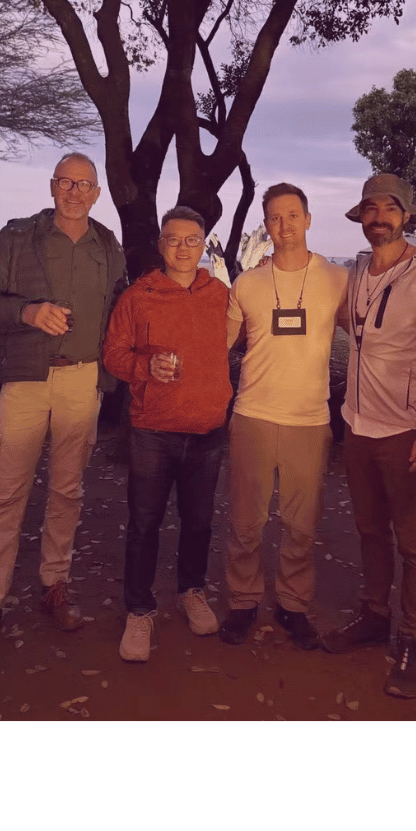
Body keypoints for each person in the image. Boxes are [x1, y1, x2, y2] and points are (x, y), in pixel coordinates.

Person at [0, 153, 126, 659]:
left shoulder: (107, 246)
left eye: (84, 184)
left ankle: (54, 585)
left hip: (82, 381)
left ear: (96, 193)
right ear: (51, 186)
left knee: (67, 491)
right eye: (65, 182)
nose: (73, 192)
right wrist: (26, 311)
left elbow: (119, 312)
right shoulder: (18, 237)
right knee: (8, 494)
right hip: (26, 379)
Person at [323, 174, 416, 698]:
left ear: (406, 216)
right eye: (369, 208)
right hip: (358, 425)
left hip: (408, 432)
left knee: (415, 544)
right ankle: (373, 615)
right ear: (360, 217)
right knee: (369, 532)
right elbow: (348, 325)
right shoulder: (356, 271)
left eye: (389, 209)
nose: (378, 217)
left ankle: (414, 640)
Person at [217, 184, 351, 649]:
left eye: (293, 215)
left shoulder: (338, 280)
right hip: (252, 414)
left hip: (310, 421)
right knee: (245, 522)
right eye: (275, 217)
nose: (285, 225)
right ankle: (243, 602)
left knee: (301, 524)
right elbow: (218, 345)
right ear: (266, 225)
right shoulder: (248, 284)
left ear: (308, 219)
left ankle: (293, 604)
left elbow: (371, 334)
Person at [101, 206, 233, 662]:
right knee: (144, 524)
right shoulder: (139, 296)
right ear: (160, 245)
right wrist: (144, 366)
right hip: (153, 430)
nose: (182, 248)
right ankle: (139, 610)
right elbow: (113, 354)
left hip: (207, 431)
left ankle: (191, 591)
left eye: (192, 240)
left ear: (203, 245)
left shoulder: (220, 295)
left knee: (198, 522)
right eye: (173, 239)